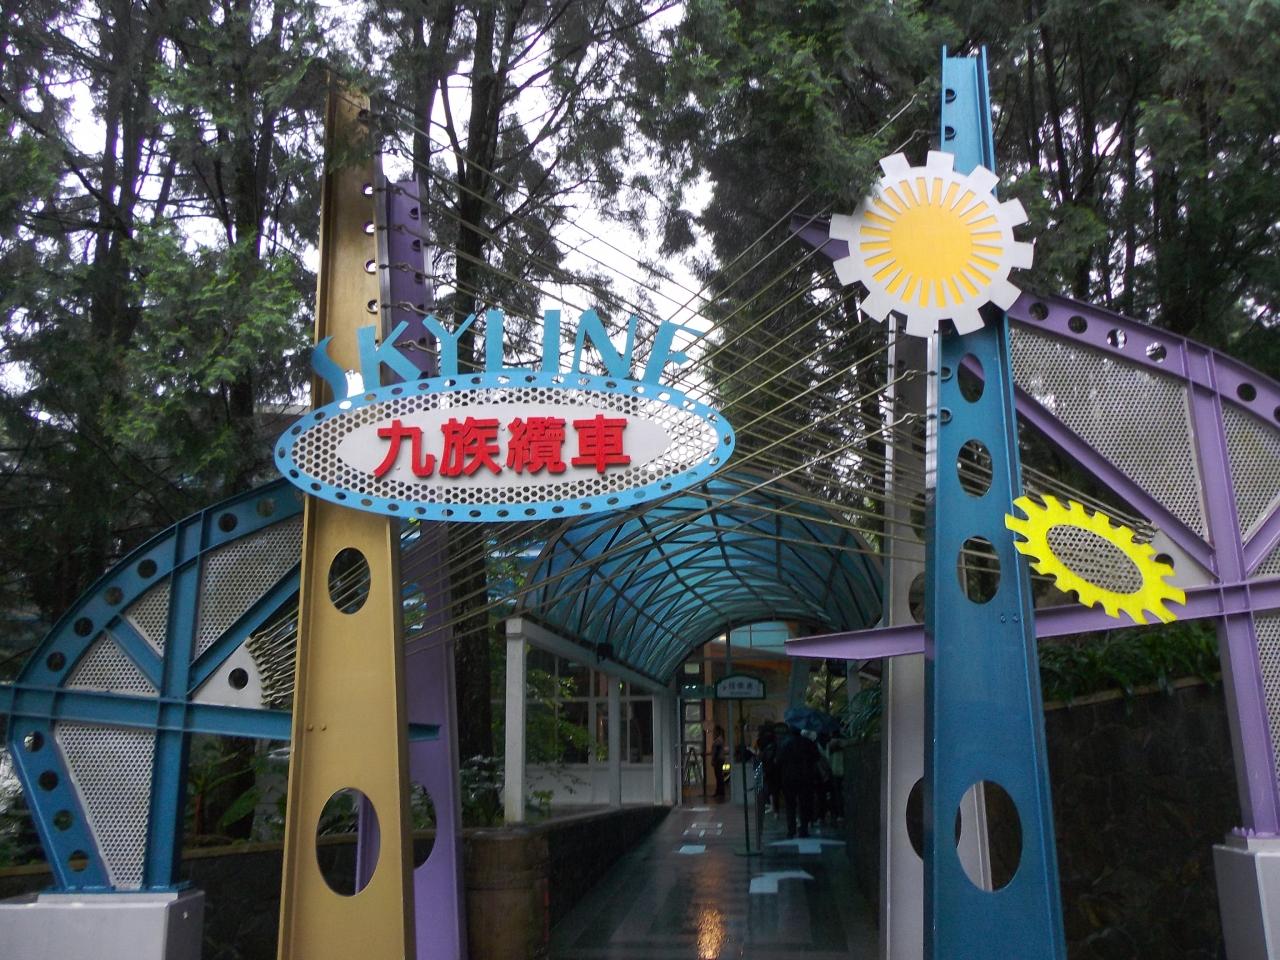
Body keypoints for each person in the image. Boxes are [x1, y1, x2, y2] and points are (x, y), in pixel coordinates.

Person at [777, 723, 820, 838]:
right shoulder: (808, 743)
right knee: (804, 803)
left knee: (790, 804)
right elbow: (817, 757)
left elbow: (779, 760)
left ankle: (791, 829)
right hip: (805, 777)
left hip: (788, 777)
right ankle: (803, 829)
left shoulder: (784, 744)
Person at [711, 726, 726, 799]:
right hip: (720, 759)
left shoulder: (718, 740)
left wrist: (713, 760)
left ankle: (720, 792)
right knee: (719, 776)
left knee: (719, 776)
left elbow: (716, 751)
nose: (713, 733)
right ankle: (719, 792)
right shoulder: (720, 739)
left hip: (718, 760)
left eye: (715, 731)